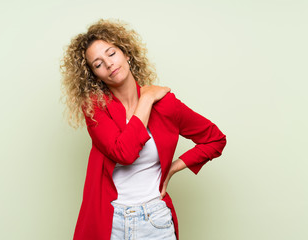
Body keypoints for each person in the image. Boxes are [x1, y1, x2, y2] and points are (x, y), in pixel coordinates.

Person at [60, 19, 227, 240]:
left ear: (126, 53)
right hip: (110, 222)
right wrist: (146, 99)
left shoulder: (166, 105)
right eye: (98, 64)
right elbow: (124, 153)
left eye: (111, 53)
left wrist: (173, 168)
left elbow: (215, 139)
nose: (109, 64)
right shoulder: (96, 108)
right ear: (94, 75)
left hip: (154, 221)